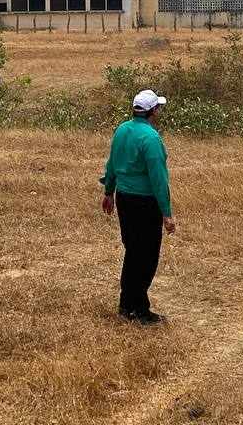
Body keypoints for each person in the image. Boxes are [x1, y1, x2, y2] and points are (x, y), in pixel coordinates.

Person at [101, 89, 176, 324]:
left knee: (133, 252)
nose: (160, 111)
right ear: (153, 111)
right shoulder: (151, 139)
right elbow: (158, 180)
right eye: (159, 108)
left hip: (124, 199)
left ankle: (127, 304)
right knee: (145, 257)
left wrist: (108, 191)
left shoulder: (123, 130)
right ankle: (139, 310)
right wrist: (167, 212)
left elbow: (112, 163)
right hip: (145, 203)